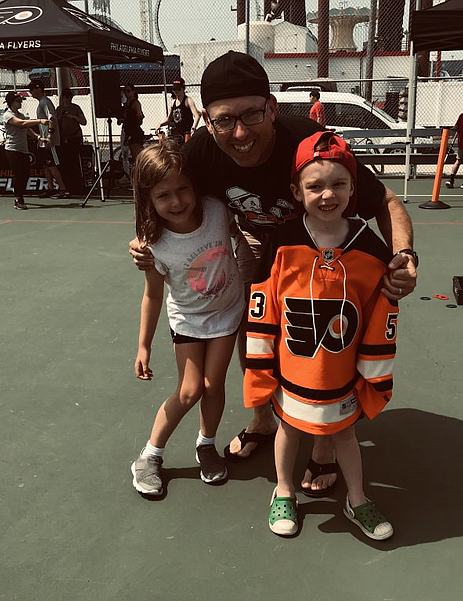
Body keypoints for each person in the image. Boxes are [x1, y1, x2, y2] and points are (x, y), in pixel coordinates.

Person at [128, 51, 417, 496]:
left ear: (273, 108)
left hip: (315, 242)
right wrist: (144, 240)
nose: (240, 132)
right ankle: (265, 417)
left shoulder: (310, 142)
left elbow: (387, 203)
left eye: (252, 114)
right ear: (207, 120)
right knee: (257, 330)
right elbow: (163, 193)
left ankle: (322, 441)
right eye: (226, 120)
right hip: (256, 242)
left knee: (319, 335)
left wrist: (404, 256)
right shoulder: (201, 151)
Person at [244, 131, 396, 538]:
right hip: (294, 370)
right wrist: (260, 367)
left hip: (340, 371)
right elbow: (263, 307)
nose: (328, 195)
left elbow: (383, 312)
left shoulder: (371, 247)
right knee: (288, 429)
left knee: (345, 433)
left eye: (339, 184)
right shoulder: (280, 242)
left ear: (353, 188)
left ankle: (357, 498)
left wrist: (373, 372)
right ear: (296, 190)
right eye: (315, 186)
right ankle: (284, 490)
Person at [129, 141, 245, 497]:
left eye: (183, 189)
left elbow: (241, 231)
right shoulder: (153, 244)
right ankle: (149, 455)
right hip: (189, 320)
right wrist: (143, 346)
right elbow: (152, 294)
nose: (177, 202)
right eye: (164, 195)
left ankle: (206, 444)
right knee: (190, 390)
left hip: (228, 312)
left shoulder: (216, 210)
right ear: (148, 199)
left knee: (213, 386)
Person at [2, 91, 51, 210]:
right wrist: (39, 121)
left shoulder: (21, 114)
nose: (20, 103)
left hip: (23, 150)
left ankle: (19, 195)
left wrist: (39, 138)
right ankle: (18, 199)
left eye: (20, 101)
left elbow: (27, 129)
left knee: (25, 174)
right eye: (18, 101)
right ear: (11, 102)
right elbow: (21, 124)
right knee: (19, 174)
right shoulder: (8, 115)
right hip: (12, 149)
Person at [28, 80, 70, 199]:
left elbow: (52, 119)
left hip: (49, 141)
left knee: (52, 165)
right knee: (45, 165)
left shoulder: (45, 102)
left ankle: (63, 189)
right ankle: (51, 188)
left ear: (39, 89)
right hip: (43, 141)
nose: (31, 92)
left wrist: (50, 136)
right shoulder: (41, 102)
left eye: (32, 89)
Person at [156, 78, 201, 145]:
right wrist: (160, 124)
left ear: (183, 89)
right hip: (176, 134)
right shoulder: (173, 102)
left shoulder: (188, 100)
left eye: (178, 89)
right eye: (174, 89)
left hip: (186, 133)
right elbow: (169, 119)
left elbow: (197, 115)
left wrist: (193, 128)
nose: (176, 91)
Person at [121, 84, 146, 168]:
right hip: (128, 131)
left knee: (136, 157)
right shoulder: (126, 105)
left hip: (134, 132)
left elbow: (139, 118)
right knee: (127, 154)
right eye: (125, 91)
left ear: (133, 92)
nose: (126, 94)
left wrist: (139, 116)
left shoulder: (135, 103)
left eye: (128, 91)